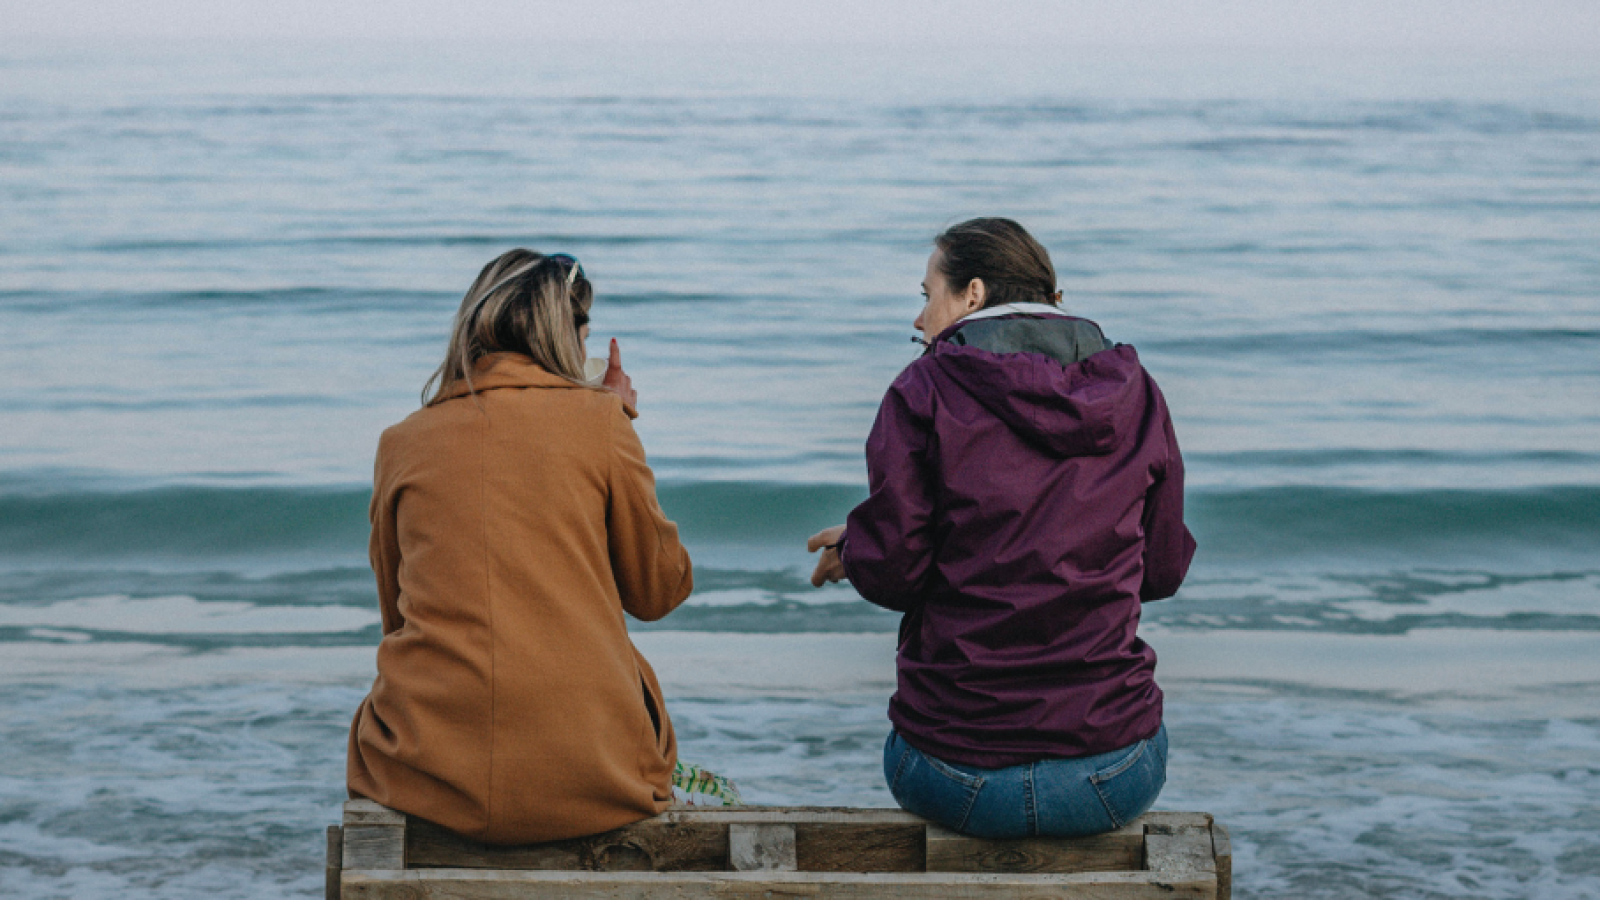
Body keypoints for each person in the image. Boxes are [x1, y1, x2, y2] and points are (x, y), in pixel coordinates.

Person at [808, 218, 1196, 839]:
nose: (919, 318)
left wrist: (857, 551)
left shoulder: (923, 388)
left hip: (955, 775)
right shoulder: (1136, 392)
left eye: (927, 294)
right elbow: (1164, 566)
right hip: (1113, 771)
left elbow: (896, 574)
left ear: (974, 295)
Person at [347, 249, 697, 845]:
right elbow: (660, 591)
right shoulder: (602, 423)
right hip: (595, 773)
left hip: (426, 769)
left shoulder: (401, 442)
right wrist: (617, 422)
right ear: (569, 336)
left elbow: (395, 613)